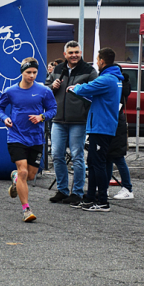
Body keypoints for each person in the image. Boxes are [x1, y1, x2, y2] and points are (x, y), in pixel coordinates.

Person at [0, 58, 56, 222]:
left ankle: (15, 178)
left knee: (30, 175)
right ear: (22, 72)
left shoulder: (44, 91)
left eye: (35, 72)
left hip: (36, 138)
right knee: (23, 171)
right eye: (28, 72)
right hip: (16, 136)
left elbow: (53, 109)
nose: (32, 75)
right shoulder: (11, 91)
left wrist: (42, 117)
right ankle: (26, 210)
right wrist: (4, 118)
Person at [68, 47, 123, 212]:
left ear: (102, 61)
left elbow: (85, 89)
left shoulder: (107, 79)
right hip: (100, 126)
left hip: (102, 127)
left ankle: (103, 201)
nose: (96, 62)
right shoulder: (112, 78)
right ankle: (90, 198)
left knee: (97, 164)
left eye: (97, 59)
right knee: (92, 162)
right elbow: (93, 95)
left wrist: (75, 88)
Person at [45, 40, 97, 205]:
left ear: (80, 53)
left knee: (77, 156)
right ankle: (62, 190)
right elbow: (45, 89)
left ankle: (77, 192)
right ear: (65, 54)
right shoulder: (58, 70)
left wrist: (83, 96)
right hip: (58, 119)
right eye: (71, 52)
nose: (74, 55)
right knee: (57, 155)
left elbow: (96, 92)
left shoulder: (89, 71)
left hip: (79, 121)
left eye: (77, 52)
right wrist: (52, 86)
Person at [107, 64, 134, 201]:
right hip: (112, 121)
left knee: (117, 157)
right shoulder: (119, 82)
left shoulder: (121, 84)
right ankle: (104, 187)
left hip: (117, 122)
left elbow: (124, 92)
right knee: (107, 157)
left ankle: (127, 188)